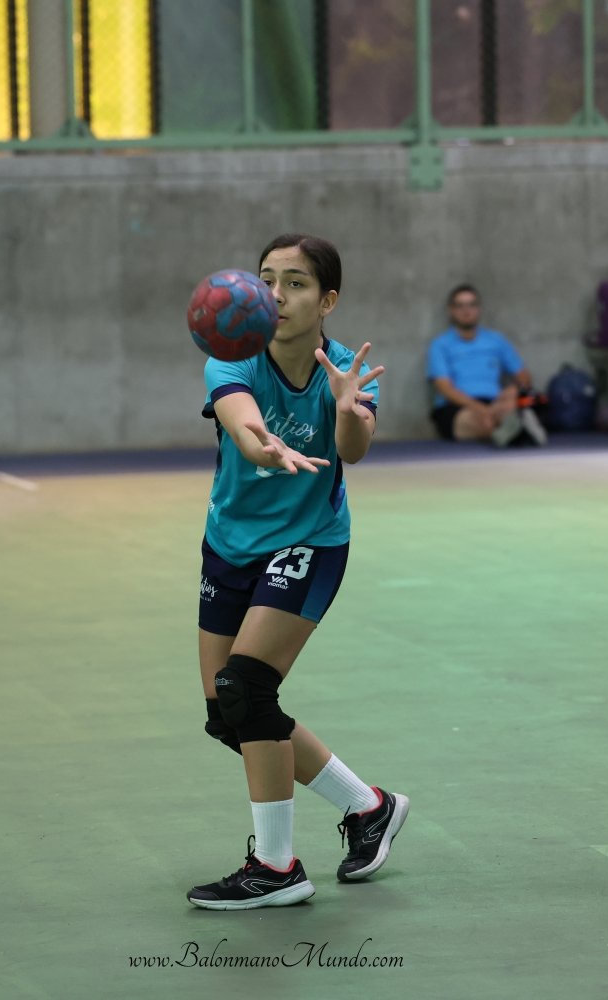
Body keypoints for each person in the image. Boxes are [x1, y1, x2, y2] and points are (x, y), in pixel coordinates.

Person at [187, 234, 410, 911]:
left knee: (247, 686)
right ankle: (367, 806)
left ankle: (276, 866)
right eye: (266, 280)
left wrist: (346, 409)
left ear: (327, 300)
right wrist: (265, 446)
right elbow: (242, 421)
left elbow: (354, 450)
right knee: (227, 713)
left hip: (310, 543)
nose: (276, 296)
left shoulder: (347, 372)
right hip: (230, 543)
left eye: (295, 282)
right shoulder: (232, 357)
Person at [426, 284, 546, 447]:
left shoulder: (496, 340)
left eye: (471, 305)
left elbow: (524, 377)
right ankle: (514, 429)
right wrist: (481, 409)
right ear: (451, 310)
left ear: (479, 309)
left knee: (517, 401)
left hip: (495, 403)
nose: (466, 310)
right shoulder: (440, 345)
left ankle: (510, 427)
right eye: (460, 306)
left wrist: (513, 390)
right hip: (458, 407)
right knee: (477, 420)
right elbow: (445, 388)